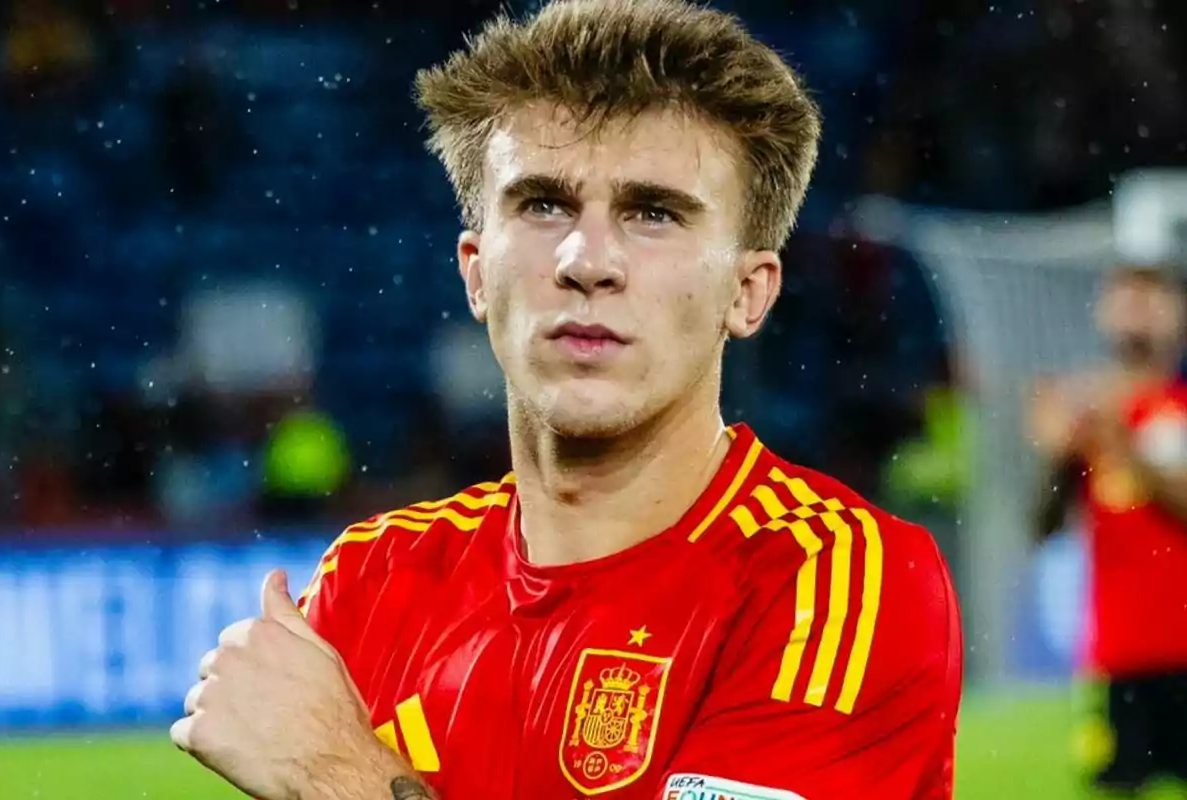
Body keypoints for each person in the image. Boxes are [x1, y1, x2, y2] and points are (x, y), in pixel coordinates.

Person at [170, 2, 963, 798]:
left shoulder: (833, 582)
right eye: (543, 204)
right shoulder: (374, 582)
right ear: (477, 273)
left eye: (653, 213)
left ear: (748, 294)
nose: (588, 261)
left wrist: (334, 774)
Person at [1029, 264, 1187, 795]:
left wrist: (1121, 444)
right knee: (1118, 787)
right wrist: (1054, 462)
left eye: (1150, 301)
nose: (1136, 315)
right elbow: (1042, 528)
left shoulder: (1166, 409)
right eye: (1126, 300)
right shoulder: (1090, 419)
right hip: (1121, 658)